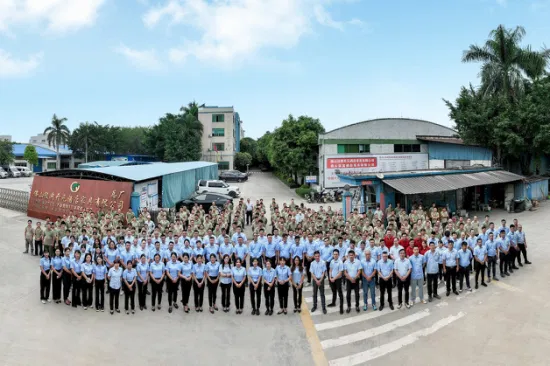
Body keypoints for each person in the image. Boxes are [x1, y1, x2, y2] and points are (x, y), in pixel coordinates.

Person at [328, 249, 344, 314]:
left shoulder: (340, 262)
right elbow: (330, 270)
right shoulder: (332, 261)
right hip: (332, 279)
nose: (335, 255)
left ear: (338, 255)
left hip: (338, 279)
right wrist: (330, 277)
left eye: (336, 254)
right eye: (334, 254)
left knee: (340, 293)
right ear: (333, 255)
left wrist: (334, 278)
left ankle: (341, 307)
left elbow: (340, 273)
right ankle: (333, 303)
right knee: (334, 291)